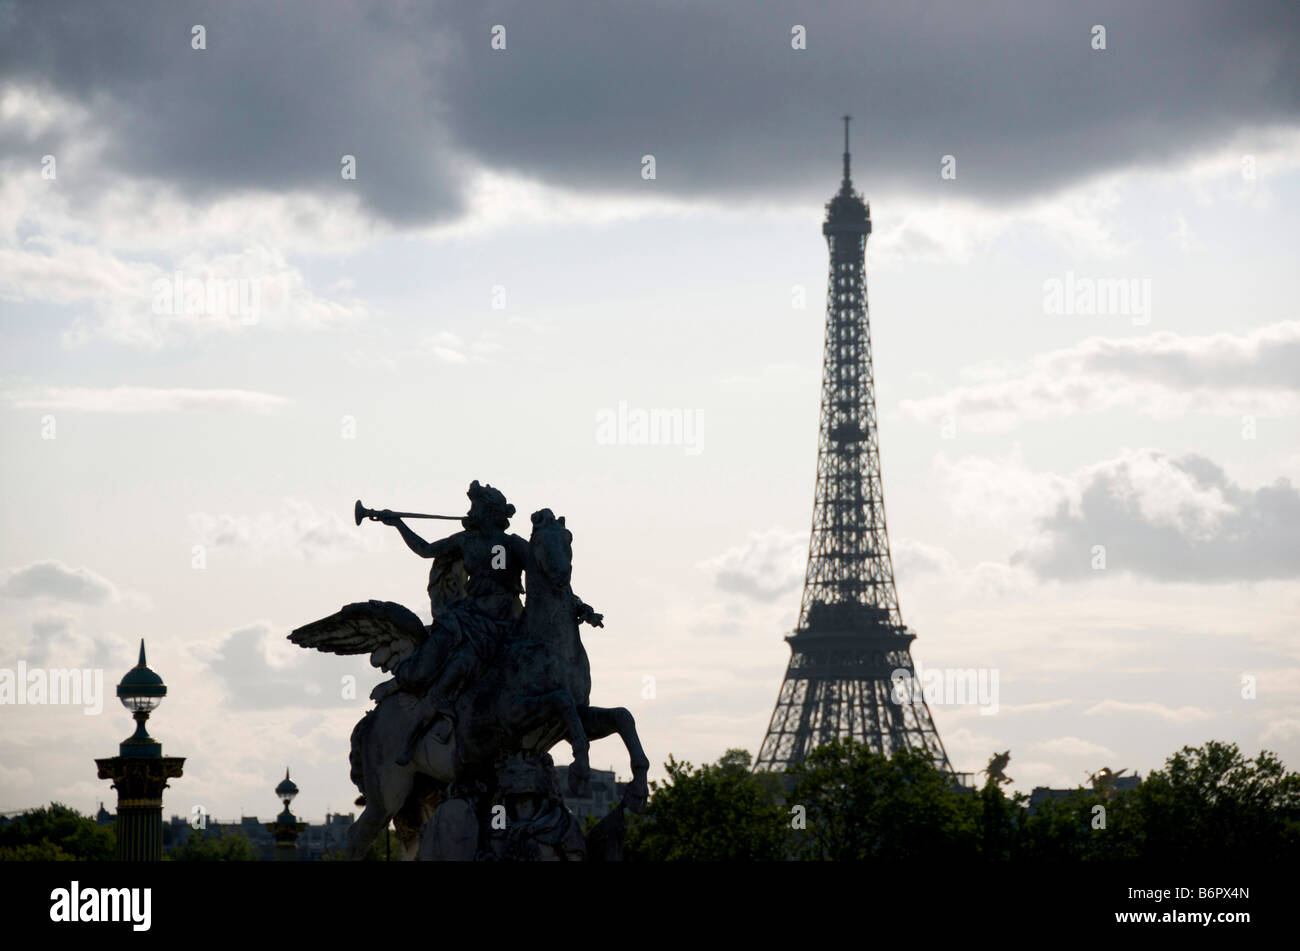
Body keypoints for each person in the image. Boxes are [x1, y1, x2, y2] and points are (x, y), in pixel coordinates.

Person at [379, 481, 528, 760]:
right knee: (438, 659)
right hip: (470, 618)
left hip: (505, 621)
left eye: (475, 506)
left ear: (489, 512)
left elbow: (548, 575)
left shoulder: (512, 545)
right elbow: (425, 549)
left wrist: (577, 605)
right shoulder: (465, 541)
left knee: (466, 663)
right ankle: (416, 698)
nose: (470, 511)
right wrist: (398, 524)